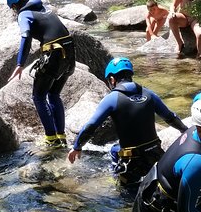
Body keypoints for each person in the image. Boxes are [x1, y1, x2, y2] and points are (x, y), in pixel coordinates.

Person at [67, 57, 188, 185]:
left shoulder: (112, 98)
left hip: (132, 161)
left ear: (112, 79)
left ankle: (115, 179)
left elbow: (91, 126)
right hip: (156, 155)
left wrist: (77, 147)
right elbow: (170, 118)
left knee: (124, 189)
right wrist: (185, 130)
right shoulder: (149, 94)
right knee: (114, 149)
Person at [6, 0, 76, 148]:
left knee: (38, 96)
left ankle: (51, 139)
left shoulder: (24, 14)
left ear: (15, 6)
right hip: (69, 52)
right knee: (53, 94)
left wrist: (19, 64)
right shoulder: (44, 8)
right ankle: (61, 137)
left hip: (54, 54)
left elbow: (26, 36)